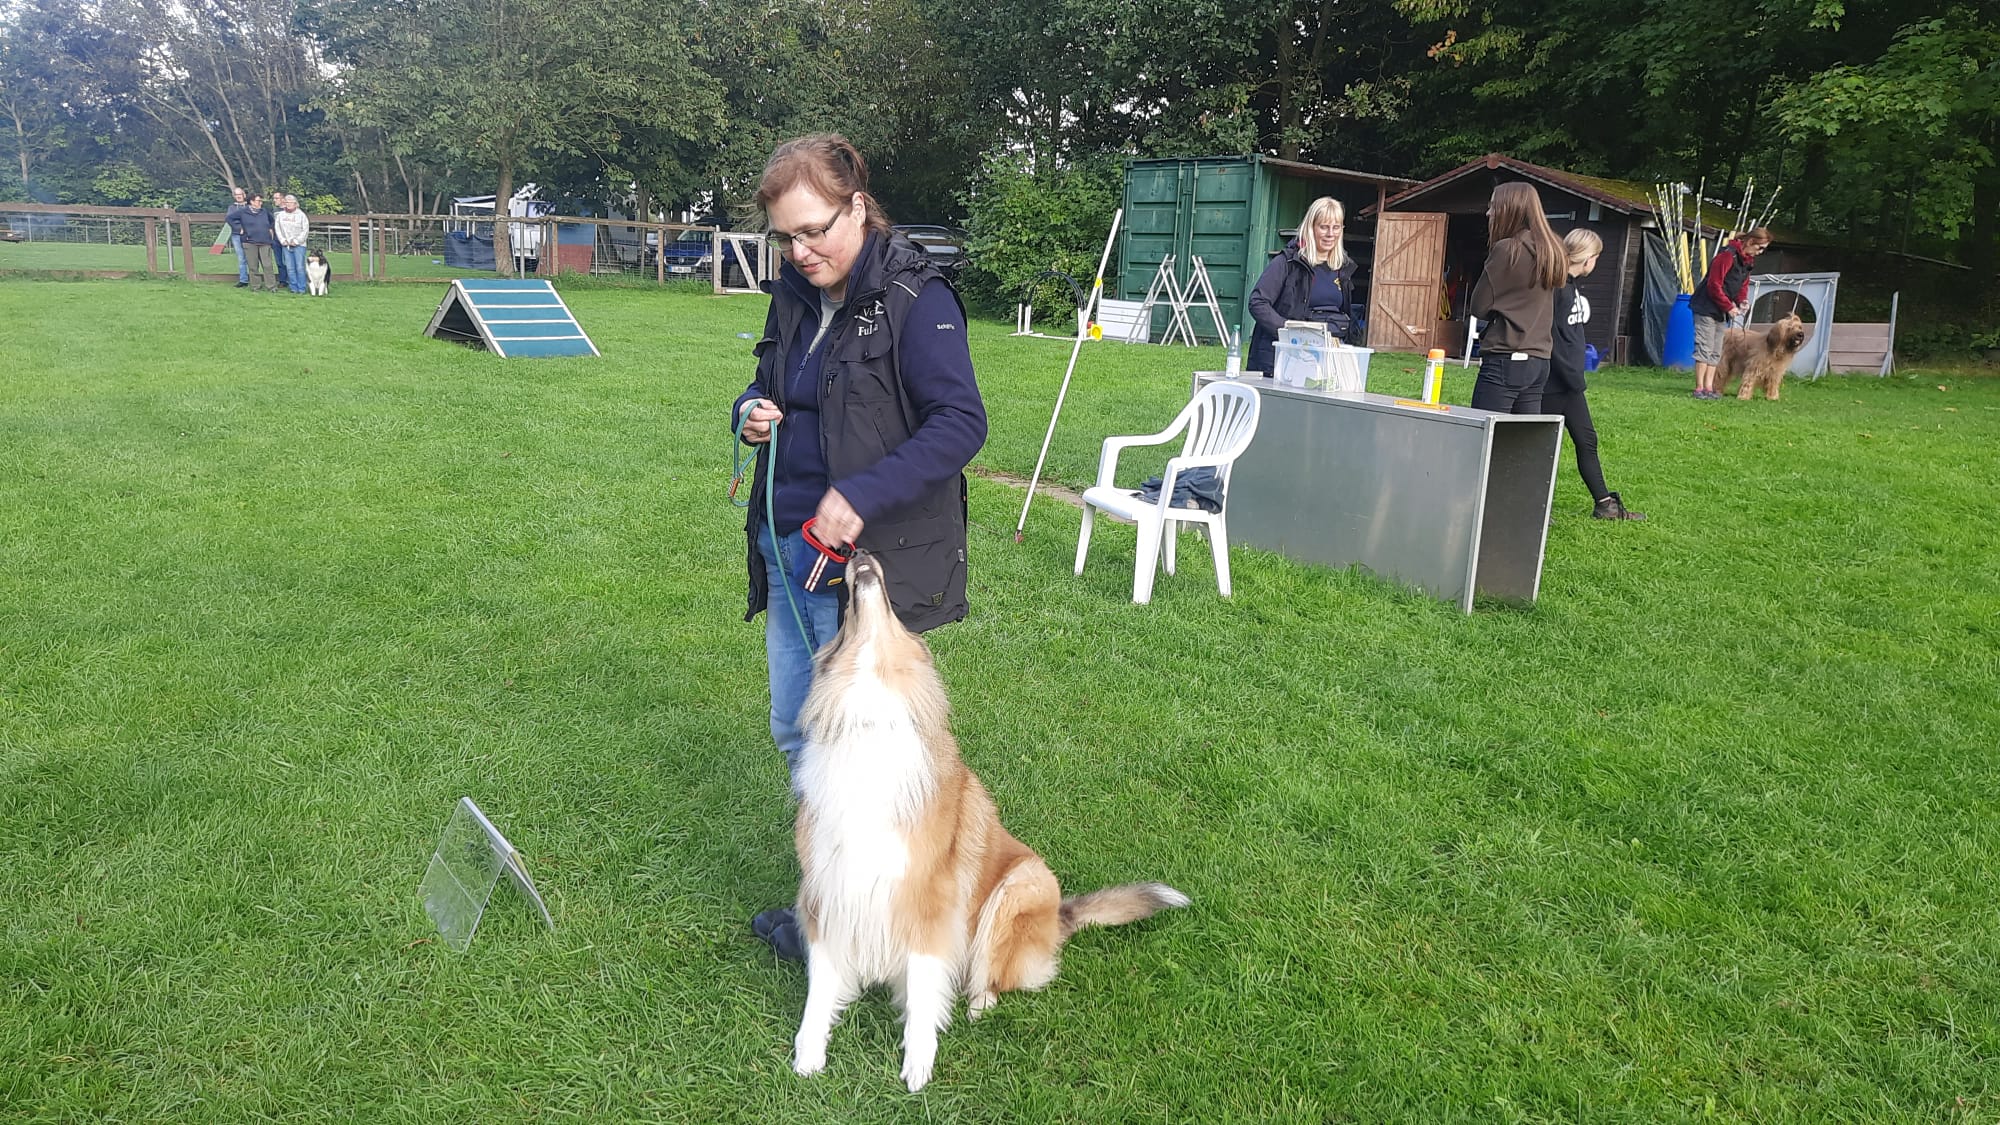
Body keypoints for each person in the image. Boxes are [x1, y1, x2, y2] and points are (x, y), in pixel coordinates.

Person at [731, 133, 987, 961]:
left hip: (863, 570)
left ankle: (869, 919)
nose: (800, 252)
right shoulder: (794, 293)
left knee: (864, 753)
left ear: (859, 206)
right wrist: (750, 410)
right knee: (797, 731)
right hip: (788, 545)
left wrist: (859, 497)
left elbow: (961, 423)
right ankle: (838, 908)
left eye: (814, 231)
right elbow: (772, 380)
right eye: (785, 237)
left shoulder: (917, 297)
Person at [1547, 229, 1644, 521]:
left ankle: (1605, 504)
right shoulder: (1557, 289)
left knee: (1587, 439)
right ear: (1588, 257)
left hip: (1570, 383)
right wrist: (1569, 374)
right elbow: (1551, 337)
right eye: (1597, 257)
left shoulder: (1571, 286)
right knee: (1542, 447)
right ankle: (1534, 506)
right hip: (1552, 383)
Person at [1467, 181, 1568, 414]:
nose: (1489, 213)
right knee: (1522, 434)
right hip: (1539, 360)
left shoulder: (1507, 250)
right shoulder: (1553, 251)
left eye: (1494, 206)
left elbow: (1478, 307)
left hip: (1505, 357)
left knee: (1485, 431)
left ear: (1510, 210)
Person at [1246, 196, 1357, 375]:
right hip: (1285, 356)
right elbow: (1257, 302)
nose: (1330, 234)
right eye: (1324, 227)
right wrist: (1289, 331)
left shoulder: (1343, 268)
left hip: (1329, 358)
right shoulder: (1287, 262)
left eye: (1336, 227)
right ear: (1311, 227)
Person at [1689, 226, 1771, 399]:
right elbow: (1714, 285)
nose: (1760, 252)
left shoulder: (1747, 261)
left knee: (1716, 350)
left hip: (1721, 311)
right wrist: (1729, 306)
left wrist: (1742, 301)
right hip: (1706, 307)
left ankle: (1710, 388)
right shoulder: (1727, 256)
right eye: (1760, 248)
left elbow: (1742, 285)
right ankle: (1699, 388)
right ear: (1750, 241)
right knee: (1704, 347)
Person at [235, 193, 278, 292]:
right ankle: (255, 286)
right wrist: (238, 228)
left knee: (267, 265)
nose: (261, 203)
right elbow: (230, 218)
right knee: (253, 266)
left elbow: (272, 221)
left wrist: (270, 229)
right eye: (259, 201)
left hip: (265, 242)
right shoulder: (243, 212)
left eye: (261, 201)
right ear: (252, 202)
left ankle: (271, 286)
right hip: (249, 242)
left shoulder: (264, 212)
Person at [274, 194, 310, 295]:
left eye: (291, 202)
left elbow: (305, 230)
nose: (289, 204)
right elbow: (277, 229)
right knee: (290, 268)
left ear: (295, 204)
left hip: (299, 245)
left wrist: (297, 241)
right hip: (286, 245)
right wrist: (283, 240)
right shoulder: (280, 215)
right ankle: (293, 287)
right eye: (287, 202)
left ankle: (301, 288)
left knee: (299, 267)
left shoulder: (301, 215)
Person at [223, 186, 251, 287]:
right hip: (236, 235)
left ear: (244, 195)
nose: (238, 196)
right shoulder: (232, 208)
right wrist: (239, 228)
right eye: (236, 195)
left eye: (240, 194)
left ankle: (255, 279)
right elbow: (230, 219)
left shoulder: (249, 206)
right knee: (241, 258)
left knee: (252, 257)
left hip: (250, 234)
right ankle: (243, 280)